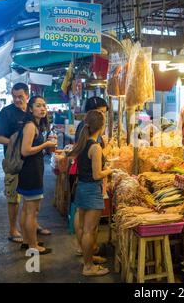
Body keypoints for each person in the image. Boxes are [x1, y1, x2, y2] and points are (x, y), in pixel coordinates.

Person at [0, 83, 51, 245]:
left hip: (30, 164)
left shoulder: (32, 112)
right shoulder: (7, 112)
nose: (17, 100)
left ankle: (31, 226)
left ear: (27, 95)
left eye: (20, 96)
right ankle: (13, 230)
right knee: (14, 198)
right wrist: (19, 143)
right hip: (14, 162)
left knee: (31, 202)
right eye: (14, 97)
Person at [70, 110, 112, 276]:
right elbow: (97, 174)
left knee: (85, 228)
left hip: (82, 188)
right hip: (91, 190)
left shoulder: (83, 143)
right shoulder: (95, 147)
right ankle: (88, 267)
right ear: (101, 127)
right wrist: (108, 170)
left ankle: (90, 258)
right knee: (89, 230)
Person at [18, 96, 56, 254]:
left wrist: (44, 144)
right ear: (31, 108)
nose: (42, 108)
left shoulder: (35, 125)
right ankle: (33, 246)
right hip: (31, 172)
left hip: (30, 171)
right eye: (38, 105)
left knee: (27, 209)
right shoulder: (30, 126)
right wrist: (46, 144)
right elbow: (25, 151)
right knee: (32, 212)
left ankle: (27, 241)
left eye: (44, 105)